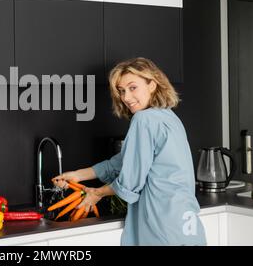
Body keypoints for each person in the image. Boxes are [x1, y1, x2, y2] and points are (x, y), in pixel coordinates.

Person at [52, 57, 207, 246]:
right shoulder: (169, 117)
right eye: (121, 91)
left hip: (160, 225)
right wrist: (77, 175)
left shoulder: (143, 120)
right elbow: (124, 161)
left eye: (133, 88)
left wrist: (98, 193)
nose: (126, 97)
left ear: (152, 84)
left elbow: (130, 182)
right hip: (186, 224)